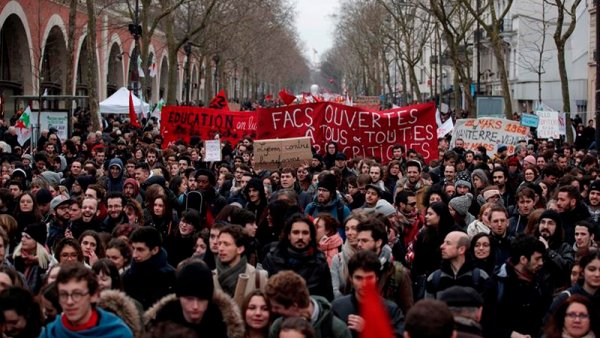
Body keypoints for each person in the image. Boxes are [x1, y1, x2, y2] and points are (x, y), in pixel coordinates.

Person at [144, 259, 245, 338]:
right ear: (180, 297)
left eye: (201, 299)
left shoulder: (221, 321)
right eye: (189, 299)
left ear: (209, 299)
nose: (195, 306)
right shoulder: (164, 317)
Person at [39, 263, 133, 337]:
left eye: (77, 294)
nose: (69, 302)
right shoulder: (51, 333)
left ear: (94, 296)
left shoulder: (117, 333)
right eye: (63, 295)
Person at [331, 250, 404, 338]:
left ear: (377, 278)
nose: (364, 284)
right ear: (350, 279)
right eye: (359, 278)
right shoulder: (337, 308)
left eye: (369, 278)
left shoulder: (391, 310)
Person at [262, 214, 334, 300]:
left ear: (311, 237)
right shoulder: (272, 259)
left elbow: (327, 298)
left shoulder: (320, 262)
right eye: (296, 232)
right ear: (289, 235)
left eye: (305, 233)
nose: (300, 237)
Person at [493, 235, 553, 338]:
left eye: (542, 259)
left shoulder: (541, 281)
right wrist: (511, 335)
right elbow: (488, 324)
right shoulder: (498, 282)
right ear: (523, 259)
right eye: (537, 259)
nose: (541, 263)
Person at [265, 270, 351, 338]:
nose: (273, 310)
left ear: (294, 306)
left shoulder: (337, 330)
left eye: (277, 307)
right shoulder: (277, 328)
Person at [356, 217, 413, 314]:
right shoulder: (355, 268)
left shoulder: (397, 273)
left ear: (378, 242)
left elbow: (408, 312)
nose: (359, 245)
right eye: (358, 240)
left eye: (364, 241)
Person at [122, 226, 176, 309]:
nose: (134, 255)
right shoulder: (127, 276)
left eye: (140, 250)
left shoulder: (170, 277)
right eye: (133, 248)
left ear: (155, 250)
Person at [425, 231, 490, 299]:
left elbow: (488, 308)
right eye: (443, 242)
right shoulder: (434, 278)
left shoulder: (481, 277)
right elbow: (429, 308)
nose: (442, 246)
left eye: (448, 243)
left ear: (461, 249)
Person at [213, 224, 268, 303]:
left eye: (226, 244)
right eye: (219, 243)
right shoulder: (211, 277)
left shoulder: (258, 278)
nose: (221, 248)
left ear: (240, 249)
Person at [534, 210, 575, 290]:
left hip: (555, 294)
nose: (545, 226)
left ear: (557, 227)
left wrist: (548, 251)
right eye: (543, 222)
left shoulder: (565, 248)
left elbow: (567, 269)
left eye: (550, 223)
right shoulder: (530, 244)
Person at [12, 223, 52, 293]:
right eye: (22, 236)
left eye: (27, 237)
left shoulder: (46, 263)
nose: (22, 239)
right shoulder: (13, 259)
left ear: (38, 242)